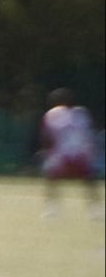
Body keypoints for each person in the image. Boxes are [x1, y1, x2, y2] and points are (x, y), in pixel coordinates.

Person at [39, 88, 101, 217]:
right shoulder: (82, 113)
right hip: (81, 153)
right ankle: (95, 209)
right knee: (89, 180)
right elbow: (89, 132)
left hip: (62, 154)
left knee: (51, 179)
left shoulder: (52, 114)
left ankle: (52, 208)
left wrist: (46, 152)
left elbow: (47, 137)